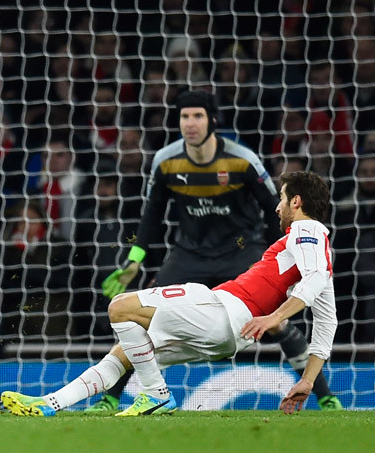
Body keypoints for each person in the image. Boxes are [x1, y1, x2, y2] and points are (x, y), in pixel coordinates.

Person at [2, 171, 337, 416]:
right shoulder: (322, 253)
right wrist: (308, 380)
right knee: (126, 352)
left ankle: (156, 393)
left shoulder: (306, 229)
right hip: (228, 335)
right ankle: (49, 404)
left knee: (120, 307)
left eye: (281, 198)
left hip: (223, 309)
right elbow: (327, 320)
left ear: (296, 201)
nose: (277, 208)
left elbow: (312, 281)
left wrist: (274, 317)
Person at [89, 91, 341, 412]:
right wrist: (135, 259)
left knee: (275, 324)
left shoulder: (241, 159)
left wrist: (272, 259)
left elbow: (272, 209)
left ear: (212, 121)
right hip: (189, 252)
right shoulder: (165, 161)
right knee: (141, 316)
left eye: (197, 116)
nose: (190, 124)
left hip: (239, 250)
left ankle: (323, 395)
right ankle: (109, 397)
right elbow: (152, 213)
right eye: (184, 117)